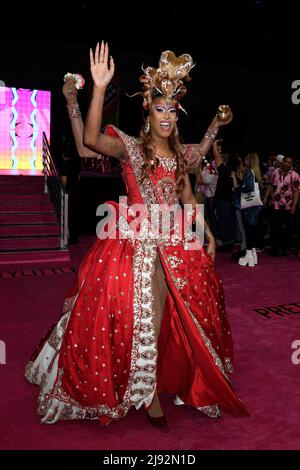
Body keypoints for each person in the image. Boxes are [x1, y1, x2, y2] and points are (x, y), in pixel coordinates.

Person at [25, 42, 248, 427]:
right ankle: (145, 392)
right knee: (131, 312)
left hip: (175, 239)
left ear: (178, 116)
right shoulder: (131, 147)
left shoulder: (179, 155)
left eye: (173, 110)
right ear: (149, 111)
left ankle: (172, 380)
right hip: (133, 238)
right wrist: (96, 89)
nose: (167, 115)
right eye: (160, 108)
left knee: (187, 310)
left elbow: (189, 192)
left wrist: (207, 232)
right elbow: (90, 142)